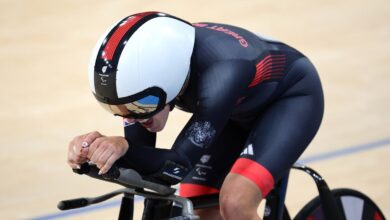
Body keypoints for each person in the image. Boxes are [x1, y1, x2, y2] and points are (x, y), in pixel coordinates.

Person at [68, 11, 324, 220]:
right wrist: (93, 150)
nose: (133, 118)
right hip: (233, 110)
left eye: (140, 106)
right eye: (119, 110)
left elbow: (176, 166)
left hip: (290, 101)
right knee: (198, 201)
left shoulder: (222, 73)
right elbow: (142, 164)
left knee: (235, 202)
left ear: (169, 79)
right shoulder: (148, 84)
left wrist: (124, 148)